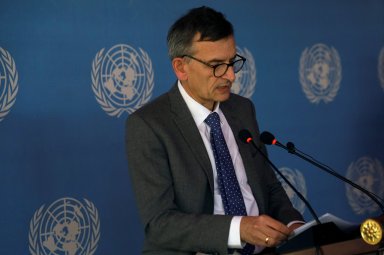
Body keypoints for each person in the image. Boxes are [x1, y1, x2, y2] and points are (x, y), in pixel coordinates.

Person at [125, 6, 304, 255]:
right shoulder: (149, 125)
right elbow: (159, 223)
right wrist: (238, 228)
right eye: (216, 65)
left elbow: (268, 186)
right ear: (181, 68)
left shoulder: (242, 109)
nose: (230, 75)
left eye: (232, 62)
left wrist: (294, 226)